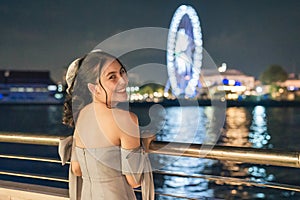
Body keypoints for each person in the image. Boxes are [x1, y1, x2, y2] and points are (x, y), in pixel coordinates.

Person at [60, 50, 154, 200]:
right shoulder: (125, 119)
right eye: (112, 77)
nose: (123, 80)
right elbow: (134, 180)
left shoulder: (82, 115)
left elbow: (77, 169)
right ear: (94, 88)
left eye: (122, 72)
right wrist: (145, 145)